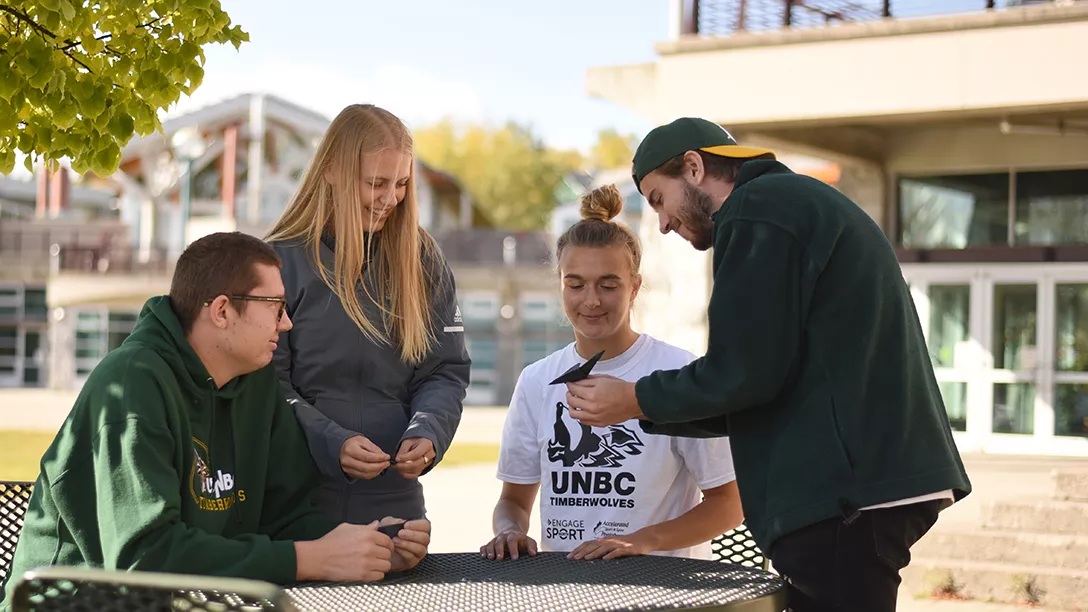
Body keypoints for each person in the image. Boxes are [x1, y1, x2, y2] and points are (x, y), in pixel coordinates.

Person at [562, 118, 972, 611]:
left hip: (842, 494)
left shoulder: (757, 210)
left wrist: (635, 398)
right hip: (861, 483)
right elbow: (763, 381)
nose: (665, 224)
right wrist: (642, 408)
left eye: (657, 199)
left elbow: (743, 372)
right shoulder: (792, 203)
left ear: (693, 167)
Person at [1, 232, 431, 611]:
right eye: (276, 306)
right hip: (76, 604)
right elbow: (142, 561)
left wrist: (366, 545)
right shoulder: (132, 385)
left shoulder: (255, 380)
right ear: (222, 311)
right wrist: (309, 559)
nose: (287, 322)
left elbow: (285, 516)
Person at [481, 185, 743, 563]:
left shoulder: (679, 372)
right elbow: (513, 502)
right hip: (570, 592)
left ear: (634, 287)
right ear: (560, 286)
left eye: (608, 284)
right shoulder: (537, 381)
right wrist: (509, 532)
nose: (591, 300)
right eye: (575, 284)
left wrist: (643, 540)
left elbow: (729, 504)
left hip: (662, 593)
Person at [265, 104, 470, 527]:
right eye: (376, 183)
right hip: (297, 499)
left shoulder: (422, 258)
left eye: (401, 184)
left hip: (394, 498)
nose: (391, 199)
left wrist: (427, 432)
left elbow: (444, 370)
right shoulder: (277, 262)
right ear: (332, 171)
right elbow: (265, 383)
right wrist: (331, 442)